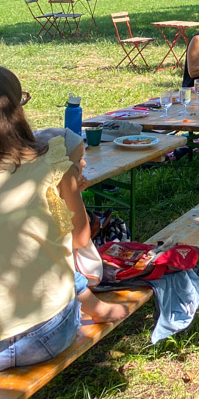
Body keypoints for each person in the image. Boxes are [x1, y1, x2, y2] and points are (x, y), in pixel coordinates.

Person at [1, 69, 127, 371]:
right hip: (47, 331)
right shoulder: (53, 163)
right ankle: (95, 307)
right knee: (55, 248)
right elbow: (80, 239)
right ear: (19, 109)